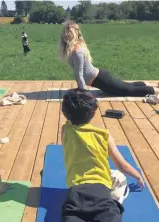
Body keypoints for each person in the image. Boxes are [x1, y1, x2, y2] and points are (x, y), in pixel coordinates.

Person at [61, 88, 144, 222]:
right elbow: (122, 166)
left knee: (71, 215)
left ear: (65, 113)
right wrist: (137, 175)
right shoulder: (103, 135)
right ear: (93, 113)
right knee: (109, 214)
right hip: (100, 191)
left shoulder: (66, 130)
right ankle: (116, 201)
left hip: (75, 192)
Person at [59, 21, 159, 97]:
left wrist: (84, 93)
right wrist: (82, 90)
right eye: (64, 32)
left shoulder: (77, 51)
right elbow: (79, 75)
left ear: (71, 35)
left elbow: (79, 75)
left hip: (101, 80)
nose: (65, 35)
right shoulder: (74, 49)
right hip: (100, 78)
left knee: (129, 91)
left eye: (67, 33)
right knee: (128, 86)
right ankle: (158, 86)